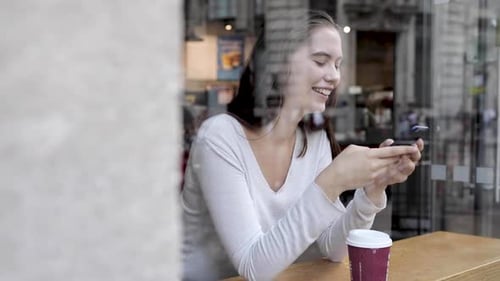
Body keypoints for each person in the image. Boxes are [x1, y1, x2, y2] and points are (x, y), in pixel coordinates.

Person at [180, 10, 424, 281]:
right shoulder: (220, 137)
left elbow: (333, 248)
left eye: (338, 64)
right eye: (321, 61)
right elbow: (252, 267)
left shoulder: (313, 139)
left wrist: (371, 192)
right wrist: (331, 182)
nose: (334, 76)